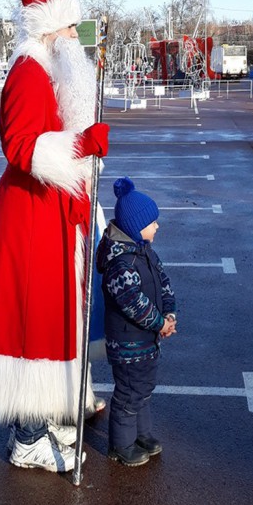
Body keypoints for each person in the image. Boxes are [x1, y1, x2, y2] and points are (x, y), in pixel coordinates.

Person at [0, 0, 110, 473]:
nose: (76, 34)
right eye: (71, 25)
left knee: (54, 315)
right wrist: (82, 147)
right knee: (35, 318)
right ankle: (29, 435)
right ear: (51, 27)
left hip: (47, 209)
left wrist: (83, 145)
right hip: (30, 215)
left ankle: (48, 419)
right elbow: (21, 145)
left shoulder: (47, 70)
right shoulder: (29, 72)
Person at [96, 177, 177, 467]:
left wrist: (169, 314)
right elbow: (133, 303)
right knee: (129, 394)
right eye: (152, 222)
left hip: (146, 340)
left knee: (143, 390)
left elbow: (163, 283)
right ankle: (121, 445)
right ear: (135, 226)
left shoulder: (145, 253)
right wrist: (159, 323)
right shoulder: (122, 264)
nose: (157, 226)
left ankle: (141, 435)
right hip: (128, 343)